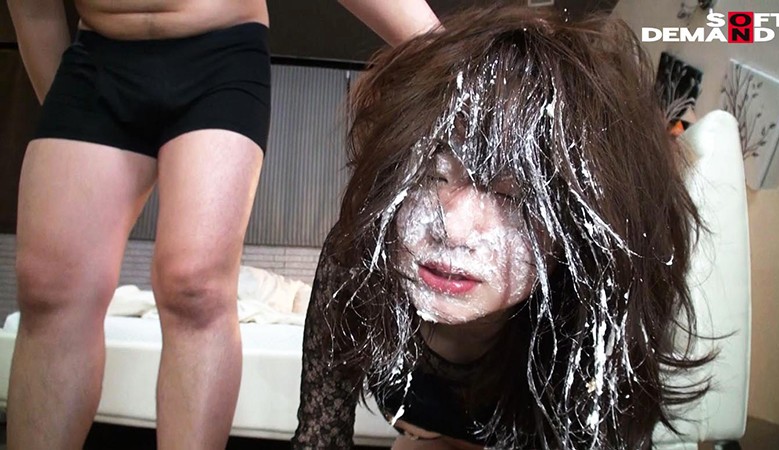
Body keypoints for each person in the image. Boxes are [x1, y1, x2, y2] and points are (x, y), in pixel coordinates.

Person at [5, 0, 440, 449]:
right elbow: (34, 13)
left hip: (219, 55)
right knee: (49, 287)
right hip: (96, 58)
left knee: (194, 286)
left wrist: (441, 46)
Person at [292, 5, 713, 450]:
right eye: (432, 176)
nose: (452, 230)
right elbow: (320, 437)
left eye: (512, 196)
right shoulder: (357, 263)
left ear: (575, 226)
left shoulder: (590, 320)